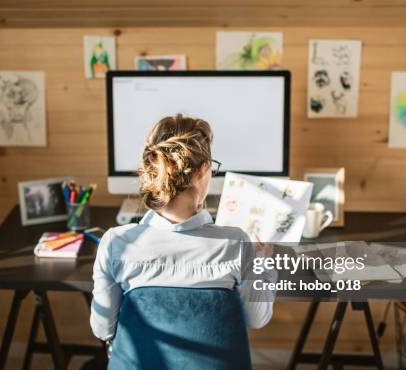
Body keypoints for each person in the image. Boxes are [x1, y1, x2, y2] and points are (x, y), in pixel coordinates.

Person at [90, 114, 276, 342]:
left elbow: (103, 330)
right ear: (202, 169)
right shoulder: (237, 243)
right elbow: (256, 319)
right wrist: (263, 263)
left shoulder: (116, 243)